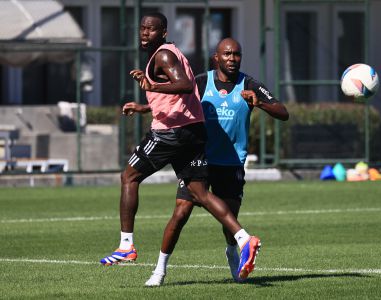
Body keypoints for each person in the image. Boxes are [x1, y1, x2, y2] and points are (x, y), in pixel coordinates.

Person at [99, 13, 261, 283]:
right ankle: (244, 239)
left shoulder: (163, 56)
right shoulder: (167, 53)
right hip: (194, 132)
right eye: (142, 28)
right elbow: (185, 93)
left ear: (163, 32)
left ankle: (126, 245)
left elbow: (186, 86)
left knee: (129, 176)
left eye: (151, 29)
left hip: (171, 133)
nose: (145, 33)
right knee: (199, 193)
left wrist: (153, 85)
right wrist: (144, 106)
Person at [144, 38, 289, 286]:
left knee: (229, 219)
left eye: (237, 55)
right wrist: (141, 107)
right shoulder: (201, 82)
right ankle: (159, 270)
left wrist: (259, 102)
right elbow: (176, 101)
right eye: (227, 54)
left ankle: (232, 251)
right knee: (181, 212)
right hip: (199, 157)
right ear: (216, 58)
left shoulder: (249, 84)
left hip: (232, 162)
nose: (232, 59)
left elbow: (283, 112)